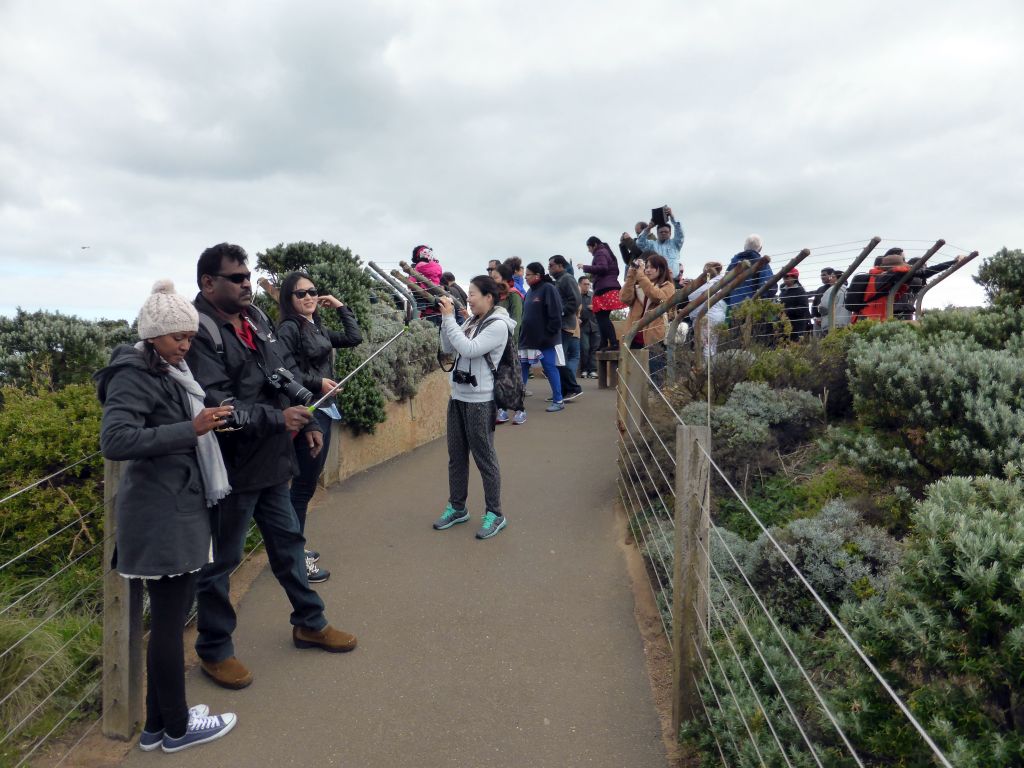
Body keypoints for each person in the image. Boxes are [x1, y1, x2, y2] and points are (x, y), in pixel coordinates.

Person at [186, 243, 356, 691]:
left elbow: (279, 374)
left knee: (288, 544)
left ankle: (309, 623)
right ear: (208, 282)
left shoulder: (256, 319)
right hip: (230, 469)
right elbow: (219, 403)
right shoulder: (198, 330)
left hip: (273, 459)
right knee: (221, 563)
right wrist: (279, 420)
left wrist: (306, 419)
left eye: (247, 276)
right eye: (235, 278)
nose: (246, 284)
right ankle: (215, 650)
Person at [95, 280, 237, 753]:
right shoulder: (134, 373)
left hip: (170, 509)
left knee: (169, 621)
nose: (186, 345)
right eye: (178, 336)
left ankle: (158, 725)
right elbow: (115, 442)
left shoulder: (164, 370)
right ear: (153, 334)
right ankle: (178, 729)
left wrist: (200, 422)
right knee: (171, 625)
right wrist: (191, 428)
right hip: (161, 516)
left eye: (190, 337)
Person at [276, 272, 363, 584]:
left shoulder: (315, 325)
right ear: (289, 299)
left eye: (312, 291)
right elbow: (285, 370)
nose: (309, 297)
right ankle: (293, 557)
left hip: (324, 408)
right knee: (301, 489)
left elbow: (354, 338)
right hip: (308, 412)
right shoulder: (288, 328)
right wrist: (319, 382)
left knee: (304, 488)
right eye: (301, 294)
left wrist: (339, 305)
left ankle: (292, 548)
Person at [431, 277, 514, 540]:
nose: (468, 298)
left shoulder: (498, 325)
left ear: (489, 297)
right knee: (456, 456)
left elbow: (469, 349)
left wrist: (447, 319)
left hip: (480, 400)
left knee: (484, 457)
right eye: (468, 293)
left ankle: (495, 513)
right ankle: (457, 507)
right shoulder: (470, 321)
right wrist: (449, 322)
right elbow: (449, 347)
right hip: (458, 397)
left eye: (473, 293)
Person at [619, 254, 676, 386]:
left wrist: (641, 277)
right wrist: (631, 275)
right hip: (633, 337)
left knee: (656, 377)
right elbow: (624, 298)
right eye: (646, 267)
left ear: (661, 269)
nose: (647, 270)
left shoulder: (668, 286)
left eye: (652, 267)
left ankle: (656, 404)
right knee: (633, 377)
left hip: (654, 338)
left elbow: (657, 296)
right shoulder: (639, 285)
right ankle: (633, 406)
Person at [519, 262, 565, 416]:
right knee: (522, 368)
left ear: (537, 275)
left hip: (545, 340)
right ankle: (517, 400)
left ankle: (558, 400)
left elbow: (556, 315)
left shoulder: (548, 289)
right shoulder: (529, 293)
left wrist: (549, 334)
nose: (525, 277)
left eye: (528, 274)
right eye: (525, 274)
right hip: (527, 339)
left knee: (550, 368)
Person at [488, 263, 524, 424]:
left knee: (513, 377)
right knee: (497, 377)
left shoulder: (513, 295)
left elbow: (516, 320)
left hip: (508, 342)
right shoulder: (492, 295)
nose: (493, 280)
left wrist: (512, 342)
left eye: (496, 277)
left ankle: (520, 409)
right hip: (495, 342)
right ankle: (501, 408)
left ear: (505, 278)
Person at [578, 236, 626, 351]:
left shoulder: (600, 252)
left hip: (605, 288)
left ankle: (614, 343)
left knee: (602, 317)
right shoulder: (605, 251)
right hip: (608, 286)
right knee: (601, 316)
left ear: (594, 245)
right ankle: (604, 342)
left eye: (589, 247)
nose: (589, 250)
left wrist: (585, 267)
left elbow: (603, 268)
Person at [548, 255, 583, 401]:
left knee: (560, 358)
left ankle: (574, 388)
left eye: (551, 265)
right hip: (559, 325)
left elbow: (575, 300)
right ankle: (562, 392)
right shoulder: (559, 281)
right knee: (557, 358)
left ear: (561, 266)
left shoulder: (567, 278)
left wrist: (560, 312)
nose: (549, 268)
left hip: (565, 325)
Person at [852, 249, 912, 323]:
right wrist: (910, 269)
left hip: (874, 317)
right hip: (870, 318)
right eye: (902, 259)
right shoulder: (878, 279)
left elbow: (896, 296)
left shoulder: (887, 279)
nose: (905, 262)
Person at [687, 262, 727, 357]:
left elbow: (691, 295)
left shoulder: (708, 284)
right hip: (718, 317)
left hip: (706, 318)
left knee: (705, 346)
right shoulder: (722, 282)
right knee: (711, 345)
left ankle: (705, 368)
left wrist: (690, 286)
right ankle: (709, 367)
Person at [724, 234, 775, 309]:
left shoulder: (733, 263)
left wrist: (730, 302)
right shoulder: (762, 264)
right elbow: (768, 286)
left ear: (744, 247)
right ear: (760, 248)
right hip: (752, 308)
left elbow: (724, 286)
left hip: (733, 307)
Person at [636, 206, 685, 276]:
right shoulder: (651, 245)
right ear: (657, 233)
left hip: (673, 279)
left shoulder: (675, 243)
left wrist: (672, 217)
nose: (663, 233)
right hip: (657, 280)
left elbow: (680, 233)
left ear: (670, 233)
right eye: (661, 232)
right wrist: (648, 228)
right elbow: (639, 242)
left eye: (666, 232)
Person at [411, 244, 444, 326]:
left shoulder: (418, 267)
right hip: (437, 296)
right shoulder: (438, 266)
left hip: (425, 299)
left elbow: (411, 282)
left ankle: (421, 306)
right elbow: (440, 277)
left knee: (427, 326)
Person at [577, 275, 601, 379]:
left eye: (588, 284)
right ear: (580, 285)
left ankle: (593, 371)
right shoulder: (576, 297)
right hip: (583, 327)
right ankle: (584, 370)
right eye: (585, 284)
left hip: (595, 326)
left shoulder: (593, 295)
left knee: (594, 349)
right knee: (585, 348)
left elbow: (602, 308)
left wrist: (595, 307)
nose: (587, 286)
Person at [778, 268, 811, 339]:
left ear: (794, 277)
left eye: (787, 276)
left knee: (795, 344)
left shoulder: (800, 291)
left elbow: (803, 308)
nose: (784, 278)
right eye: (784, 276)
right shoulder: (783, 292)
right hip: (784, 323)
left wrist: (787, 311)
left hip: (797, 324)